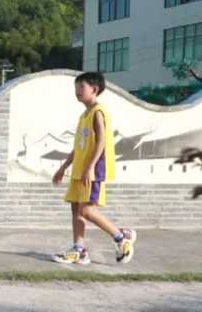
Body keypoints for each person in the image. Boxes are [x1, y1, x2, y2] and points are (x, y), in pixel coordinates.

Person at [51, 71, 137, 265]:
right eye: (76, 87)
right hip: (79, 170)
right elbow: (78, 147)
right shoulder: (84, 115)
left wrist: (90, 168)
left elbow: (101, 143)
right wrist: (63, 167)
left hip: (93, 170)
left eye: (81, 87)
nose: (77, 91)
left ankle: (121, 237)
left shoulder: (98, 112)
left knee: (87, 211)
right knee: (76, 209)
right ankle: (79, 250)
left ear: (95, 89)